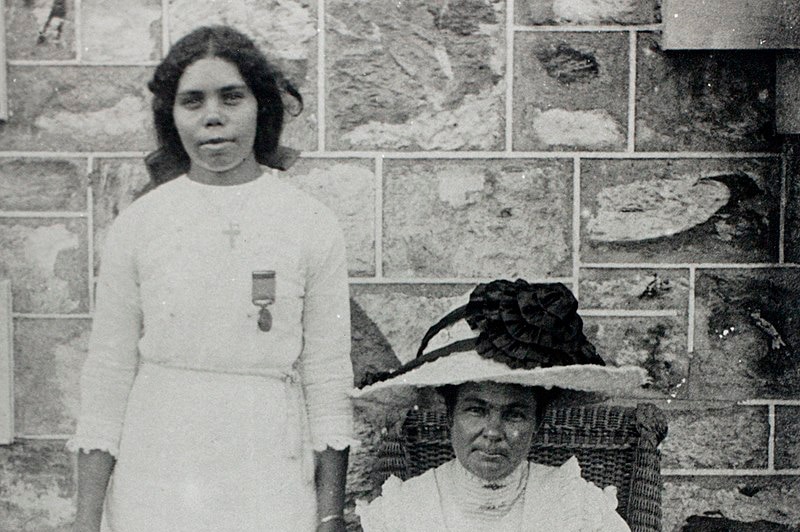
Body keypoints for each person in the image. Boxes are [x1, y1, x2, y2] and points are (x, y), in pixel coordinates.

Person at [68, 25, 356, 532]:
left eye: (231, 97)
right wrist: (86, 522)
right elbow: (108, 375)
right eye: (192, 101)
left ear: (261, 106)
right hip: (158, 468)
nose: (213, 117)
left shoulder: (309, 222)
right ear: (170, 115)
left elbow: (328, 375)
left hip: (267, 468)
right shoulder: (141, 223)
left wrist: (329, 514)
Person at [352, 280, 650, 532]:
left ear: (537, 422)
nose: (493, 431)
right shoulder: (404, 512)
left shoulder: (575, 506)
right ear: (449, 416)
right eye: (476, 410)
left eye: (514, 415)